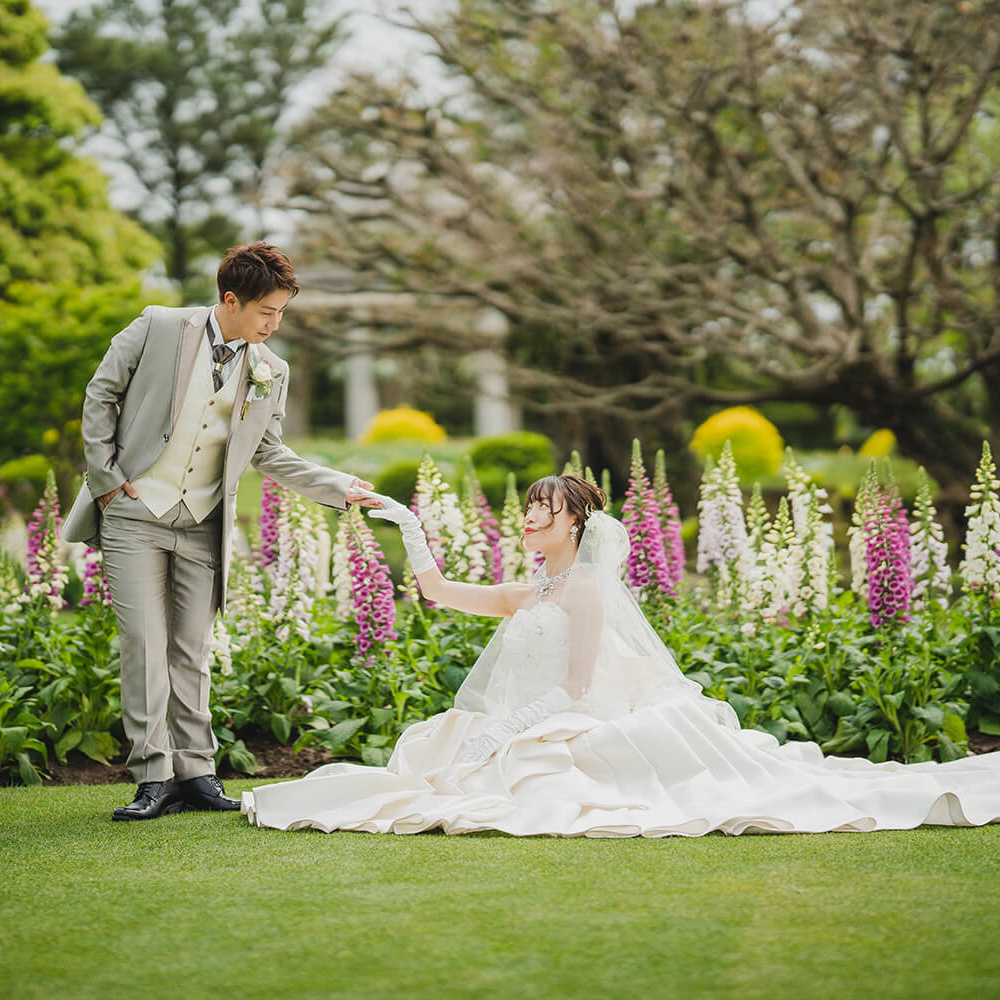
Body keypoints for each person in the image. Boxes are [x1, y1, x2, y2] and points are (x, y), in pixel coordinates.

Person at [241, 474, 1000, 837]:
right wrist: (403, 517)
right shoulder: (531, 590)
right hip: (520, 721)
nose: (530, 518)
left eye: (544, 510)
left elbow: (576, 688)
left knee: (519, 781)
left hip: (569, 722)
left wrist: (501, 733)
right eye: (530, 509)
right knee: (432, 767)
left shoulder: (585, 593)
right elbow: (437, 590)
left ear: (573, 523)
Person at [62, 242, 379, 822]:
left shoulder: (269, 369)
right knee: (144, 647)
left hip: (204, 524)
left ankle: (198, 773)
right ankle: (153, 778)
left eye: (282, 312)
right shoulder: (159, 327)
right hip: (135, 513)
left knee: (192, 650)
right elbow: (100, 394)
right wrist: (107, 481)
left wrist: (337, 487)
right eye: (267, 312)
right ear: (230, 300)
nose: (275, 324)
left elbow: (267, 452)